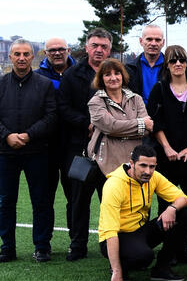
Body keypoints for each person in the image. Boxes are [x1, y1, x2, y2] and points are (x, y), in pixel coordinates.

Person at [99, 144, 187, 281]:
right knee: (143, 257)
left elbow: (184, 198)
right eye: (143, 165)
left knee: (183, 214)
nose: (148, 171)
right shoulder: (114, 185)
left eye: (152, 166)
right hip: (118, 235)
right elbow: (110, 232)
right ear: (131, 164)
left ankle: (162, 268)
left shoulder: (154, 177)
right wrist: (117, 272)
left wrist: (171, 208)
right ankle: (118, 265)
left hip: (141, 231)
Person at [147, 45, 187, 253]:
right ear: (167, 65)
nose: (178, 64)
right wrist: (167, 148)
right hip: (167, 157)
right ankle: (168, 249)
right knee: (166, 203)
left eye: (181, 60)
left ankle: (182, 248)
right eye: (173, 61)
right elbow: (156, 122)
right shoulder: (160, 89)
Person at [0, 39, 58, 262]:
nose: (22, 58)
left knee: (41, 200)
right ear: (10, 57)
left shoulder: (44, 85)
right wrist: (7, 135)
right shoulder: (2, 84)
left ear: (33, 56)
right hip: (6, 152)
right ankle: (7, 247)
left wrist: (28, 135)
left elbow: (51, 116)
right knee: (6, 201)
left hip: (37, 151)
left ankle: (42, 246)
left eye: (26, 54)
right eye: (17, 54)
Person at [60, 28, 112, 260]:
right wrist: (86, 123)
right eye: (95, 45)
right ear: (87, 47)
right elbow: (63, 108)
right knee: (79, 199)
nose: (99, 50)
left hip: (111, 148)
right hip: (80, 147)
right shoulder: (72, 74)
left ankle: (108, 244)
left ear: (109, 49)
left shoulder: (117, 72)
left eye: (103, 46)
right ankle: (78, 244)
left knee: (109, 199)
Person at [38, 37, 75, 246]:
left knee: (74, 197)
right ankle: (44, 243)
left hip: (73, 146)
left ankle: (75, 240)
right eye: (52, 50)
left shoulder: (79, 72)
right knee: (45, 198)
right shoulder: (38, 76)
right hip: (46, 147)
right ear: (45, 53)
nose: (57, 53)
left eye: (61, 49)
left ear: (68, 50)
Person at [88, 58, 152, 178]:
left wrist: (118, 129)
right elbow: (110, 127)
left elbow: (148, 129)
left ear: (123, 75)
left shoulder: (136, 99)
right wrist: (140, 124)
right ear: (101, 78)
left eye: (117, 73)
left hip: (134, 164)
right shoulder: (96, 102)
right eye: (107, 75)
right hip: (106, 165)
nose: (113, 78)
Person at [125, 24, 165, 102]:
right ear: (141, 41)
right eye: (149, 39)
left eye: (157, 40)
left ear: (163, 42)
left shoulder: (170, 68)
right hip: (138, 113)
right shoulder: (129, 69)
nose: (153, 43)